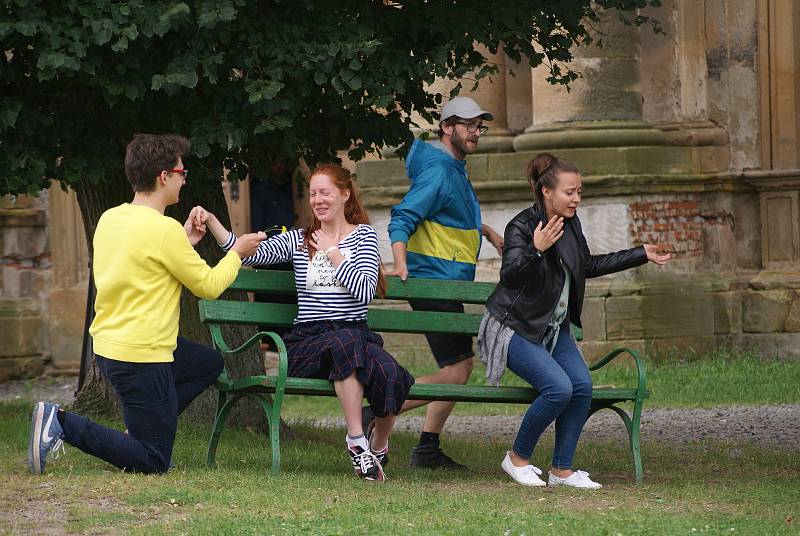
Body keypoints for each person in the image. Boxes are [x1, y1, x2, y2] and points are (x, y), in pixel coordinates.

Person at [28, 134, 265, 475]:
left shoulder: (111, 218)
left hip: (110, 347)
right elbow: (210, 286)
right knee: (153, 460)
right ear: (164, 176)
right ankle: (61, 423)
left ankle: (143, 427)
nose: (185, 179)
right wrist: (236, 253)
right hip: (142, 355)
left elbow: (143, 261)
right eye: (182, 172)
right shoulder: (164, 230)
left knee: (208, 364)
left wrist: (184, 240)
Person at [202, 163, 414, 482]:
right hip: (308, 343)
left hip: (354, 334)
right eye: (313, 193)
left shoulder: (364, 238)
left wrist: (333, 253)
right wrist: (214, 223)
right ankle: (356, 442)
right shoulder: (300, 240)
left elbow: (365, 290)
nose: (317, 200)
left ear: (344, 194)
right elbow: (247, 254)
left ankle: (378, 444)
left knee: (389, 371)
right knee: (345, 344)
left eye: (325, 192)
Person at [478, 153, 671, 489]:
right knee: (558, 388)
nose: (577, 198)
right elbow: (509, 276)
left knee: (581, 386)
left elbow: (588, 266)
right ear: (546, 192)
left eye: (580, 191)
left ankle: (562, 470)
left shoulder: (571, 225)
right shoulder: (522, 226)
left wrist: (640, 253)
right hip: (515, 328)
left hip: (552, 329)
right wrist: (535, 248)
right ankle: (517, 458)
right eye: (570, 192)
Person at [378, 96, 504, 470]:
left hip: (446, 282)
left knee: (460, 367)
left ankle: (427, 447)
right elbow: (403, 218)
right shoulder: (439, 171)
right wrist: (400, 264)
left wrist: (485, 230)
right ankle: (379, 410)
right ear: (447, 127)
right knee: (457, 369)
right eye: (468, 125)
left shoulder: (451, 167)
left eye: (479, 126)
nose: (475, 132)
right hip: (434, 282)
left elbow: (448, 213)